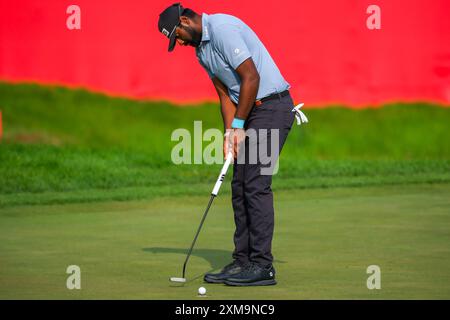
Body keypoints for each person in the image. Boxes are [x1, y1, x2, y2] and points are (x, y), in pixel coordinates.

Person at [158, 3, 296, 286]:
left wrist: (238, 125)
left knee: (255, 185)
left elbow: (251, 77)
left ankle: (262, 266)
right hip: (249, 112)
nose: (180, 42)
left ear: (185, 20)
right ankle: (243, 261)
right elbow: (224, 96)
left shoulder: (222, 28)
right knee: (239, 185)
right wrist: (229, 134)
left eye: (178, 35)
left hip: (272, 107)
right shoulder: (201, 51)